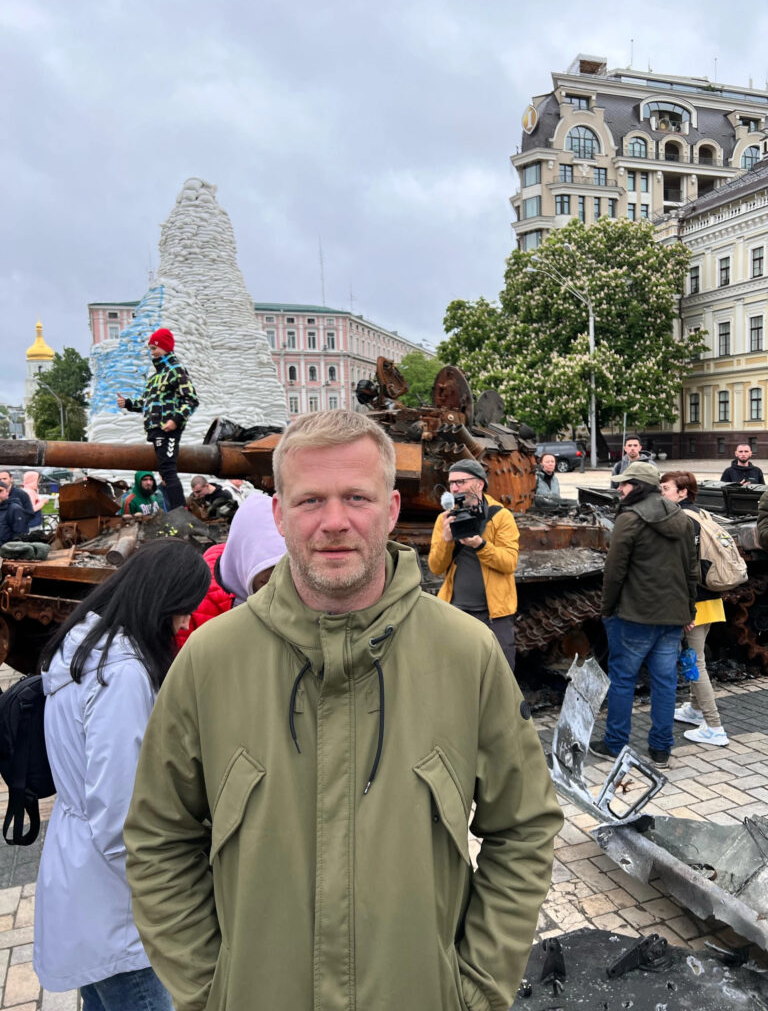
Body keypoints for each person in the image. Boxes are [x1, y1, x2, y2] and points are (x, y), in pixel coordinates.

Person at [125, 410, 562, 1011]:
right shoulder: (210, 661)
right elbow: (159, 840)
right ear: (279, 515)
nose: (334, 522)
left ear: (391, 510)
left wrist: (475, 989)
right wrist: (213, 989)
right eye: (310, 500)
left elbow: (524, 827)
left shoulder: (466, 654)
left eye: (357, 497)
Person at [33, 539, 210, 1010]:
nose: (185, 623)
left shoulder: (84, 646)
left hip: (82, 872)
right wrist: (172, 887)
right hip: (117, 898)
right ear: (160, 601)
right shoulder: (122, 674)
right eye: (182, 610)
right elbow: (120, 813)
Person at [590, 461, 698, 769]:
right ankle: (661, 749)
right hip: (672, 616)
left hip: (634, 616)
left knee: (623, 680)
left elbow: (614, 572)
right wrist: (689, 609)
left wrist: (607, 609)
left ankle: (614, 744)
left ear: (639, 487)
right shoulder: (681, 518)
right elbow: (691, 570)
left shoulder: (629, 519)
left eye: (625, 483)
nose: (620, 488)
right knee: (665, 682)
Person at [428, 458, 520, 672]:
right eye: (451, 483)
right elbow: (436, 567)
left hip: (494, 615)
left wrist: (480, 545)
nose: (454, 488)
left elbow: (509, 562)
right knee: (456, 672)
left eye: (460, 482)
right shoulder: (445, 519)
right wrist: (446, 540)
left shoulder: (500, 516)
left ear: (479, 484)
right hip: (456, 611)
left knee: (500, 672)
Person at [660, 471, 729, 746]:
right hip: (711, 597)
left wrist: (683, 608)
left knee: (696, 661)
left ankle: (714, 726)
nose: (662, 493)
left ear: (682, 492)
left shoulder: (681, 520)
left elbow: (681, 568)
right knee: (693, 655)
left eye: (666, 488)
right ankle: (694, 708)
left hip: (695, 601)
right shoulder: (701, 514)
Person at [176, 491, 287, 646]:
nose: (277, 581)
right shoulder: (192, 600)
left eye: (286, 569)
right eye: (266, 579)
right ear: (243, 555)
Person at [116, 328, 198, 511]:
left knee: (168, 471)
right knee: (164, 471)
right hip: (156, 430)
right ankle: (176, 510)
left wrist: (175, 420)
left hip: (168, 429)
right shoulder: (155, 377)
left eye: (155, 348)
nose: (152, 353)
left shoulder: (175, 370)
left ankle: (181, 512)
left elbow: (191, 399)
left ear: (165, 347)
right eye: (151, 349)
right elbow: (147, 403)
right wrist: (128, 403)